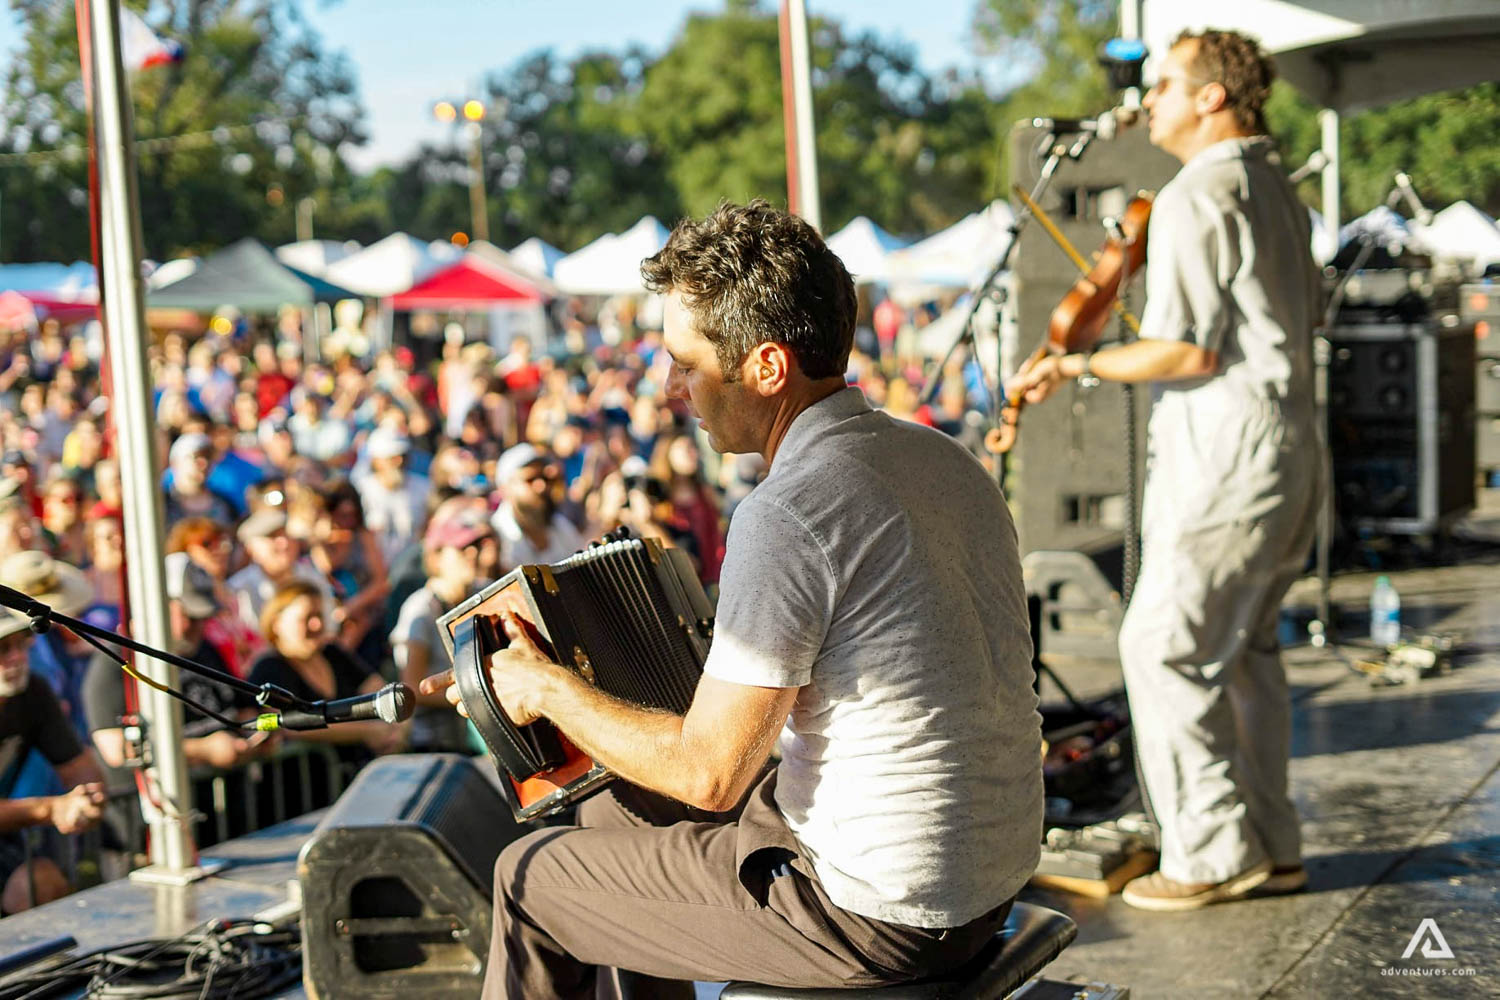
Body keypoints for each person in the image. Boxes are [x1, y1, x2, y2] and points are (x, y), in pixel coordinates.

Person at [424, 201, 1042, 998]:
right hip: (984, 875)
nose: (674, 386)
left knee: (529, 875)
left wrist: (547, 687)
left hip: (878, 908)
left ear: (767, 368)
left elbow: (711, 775)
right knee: (614, 808)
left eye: (686, 361)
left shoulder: (790, 509)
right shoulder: (939, 456)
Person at [1005, 29, 1321, 911]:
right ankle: (1272, 844)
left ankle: (1214, 854)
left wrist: (1077, 364)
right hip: (1289, 444)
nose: (1148, 103)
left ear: (1212, 97)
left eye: (1166, 86)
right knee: (1246, 651)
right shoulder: (1277, 188)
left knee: (1161, 646)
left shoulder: (1198, 194)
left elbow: (1186, 349)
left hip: (1229, 450)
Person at [0, 606, 108, 915]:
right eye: (2, 649)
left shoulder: (32, 693)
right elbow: (53, 808)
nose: (16, 658)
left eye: (21, 645)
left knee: (42, 883)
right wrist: (52, 809)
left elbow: (81, 770)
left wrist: (88, 799)